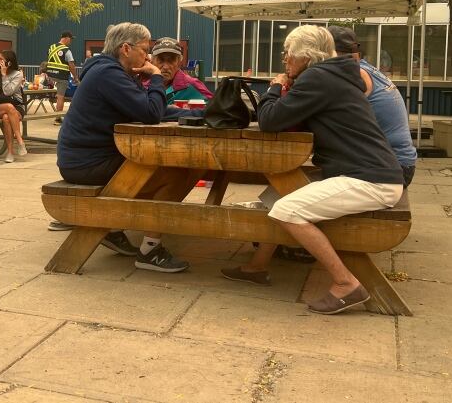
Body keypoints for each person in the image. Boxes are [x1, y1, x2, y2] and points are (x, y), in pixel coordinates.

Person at [221, 25, 404, 314]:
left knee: (288, 210)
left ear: (306, 56)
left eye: (288, 54)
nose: (285, 60)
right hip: (369, 172)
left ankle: (346, 284)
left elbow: (269, 120)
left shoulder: (318, 78)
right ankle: (256, 267)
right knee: (275, 194)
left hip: (369, 180)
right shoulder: (333, 76)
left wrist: (273, 88)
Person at [54, 22, 200, 273]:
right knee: (178, 171)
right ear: (125, 49)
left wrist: (201, 115)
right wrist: (155, 77)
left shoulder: (113, 73)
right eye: (145, 49)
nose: (149, 56)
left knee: (172, 167)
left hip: (86, 159)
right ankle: (150, 250)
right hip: (86, 164)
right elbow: (151, 113)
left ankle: (112, 228)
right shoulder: (108, 75)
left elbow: (152, 110)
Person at [328, 25, 416, 187]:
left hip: (393, 168)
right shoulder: (366, 68)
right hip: (401, 162)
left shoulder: (355, 73)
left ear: (331, 52)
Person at [150, 37, 213, 103]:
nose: (166, 67)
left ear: (179, 62)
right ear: (152, 60)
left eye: (171, 60)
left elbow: (214, 109)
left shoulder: (192, 85)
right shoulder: (143, 85)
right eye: (161, 60)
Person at [46, 30, 78, 124]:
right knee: (60, 97)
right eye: (70, 39)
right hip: (61, 76)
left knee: (57, 95)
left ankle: (58, 116)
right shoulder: (67, 50)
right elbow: (71, 65)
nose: (70, 41)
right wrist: (76, 77)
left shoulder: (51, 47)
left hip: (50, 76)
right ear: (67, 38)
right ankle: (58, 119)